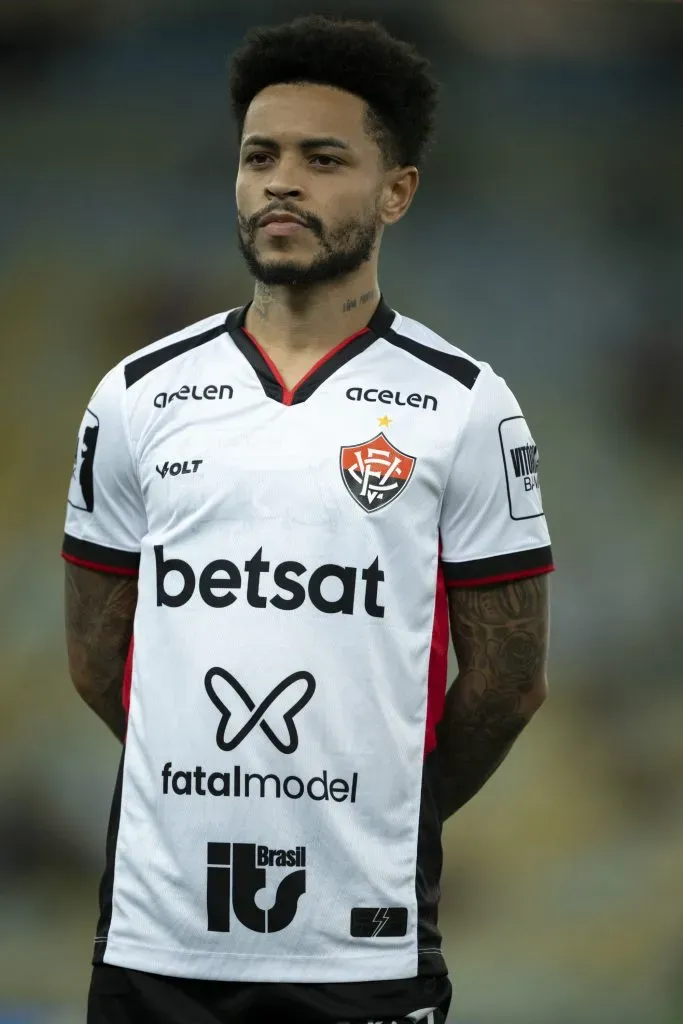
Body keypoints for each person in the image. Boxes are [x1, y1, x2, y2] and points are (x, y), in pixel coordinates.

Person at [63, 15, 553, 1024]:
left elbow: (505, 683)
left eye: (322, 158)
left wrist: (377, 809)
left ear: (395, 191)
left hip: (359, 939)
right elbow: (95, 657)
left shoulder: (463, 403)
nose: (280, 180)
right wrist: (206, 779)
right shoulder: (136, 395)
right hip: (157, 934)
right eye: (259, 156)